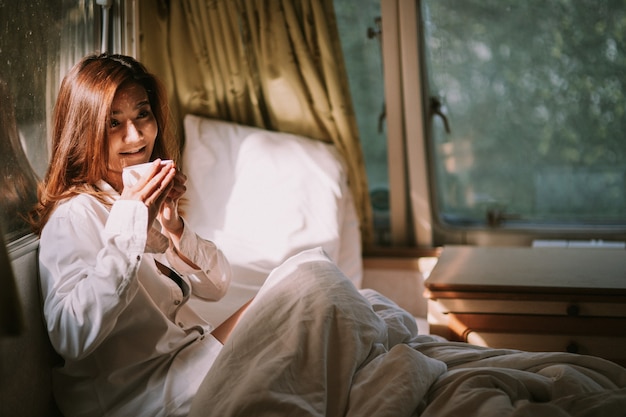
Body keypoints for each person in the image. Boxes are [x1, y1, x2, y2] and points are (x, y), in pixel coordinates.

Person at [29, 53, 247, 417]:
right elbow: (70, 335)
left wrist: (173, 226)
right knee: (311, 283)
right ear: (84, 130)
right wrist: (132, 222)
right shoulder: (74, 215)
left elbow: (217, 286)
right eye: (113, 122)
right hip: (143, 395)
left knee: (329, 293)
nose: (136, 135)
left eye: (142, 114)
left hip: (189, 362)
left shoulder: (141, 197)